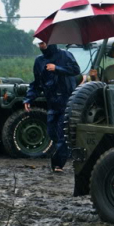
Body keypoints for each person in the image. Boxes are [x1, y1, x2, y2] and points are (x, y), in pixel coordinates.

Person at [23, 38, 81, 172]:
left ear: (50, 42)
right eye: (39, 44)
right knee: (51, 133)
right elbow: (36, 83)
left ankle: (57, 165)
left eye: (43, 43)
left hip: (67, 100)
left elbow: (75, 70)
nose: (42, 46)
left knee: (62, 134)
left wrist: (57, 68)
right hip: (52, 102)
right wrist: (28, 99)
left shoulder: (65, 55)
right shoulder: (39, 61)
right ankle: (61, 158)